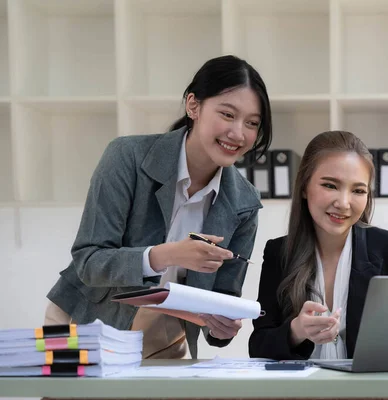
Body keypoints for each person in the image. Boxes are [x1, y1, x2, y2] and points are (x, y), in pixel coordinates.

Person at [44, 55, 272, 360]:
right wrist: (167, 255)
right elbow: (89, 261)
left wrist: (221, 326)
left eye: (252, 123)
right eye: (227, 114)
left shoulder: (244, 203)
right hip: (82, 319)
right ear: (193, 106)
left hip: (163, 337)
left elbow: (222, 303)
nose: (238, 133)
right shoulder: (127, 157)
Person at [248, 130, 388, 360]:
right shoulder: (279, 253)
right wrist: (296, 331)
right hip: (300, 394)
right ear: (303, 187)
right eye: (330, 186)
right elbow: (259, 346)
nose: (343, 203)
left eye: (358, 191)